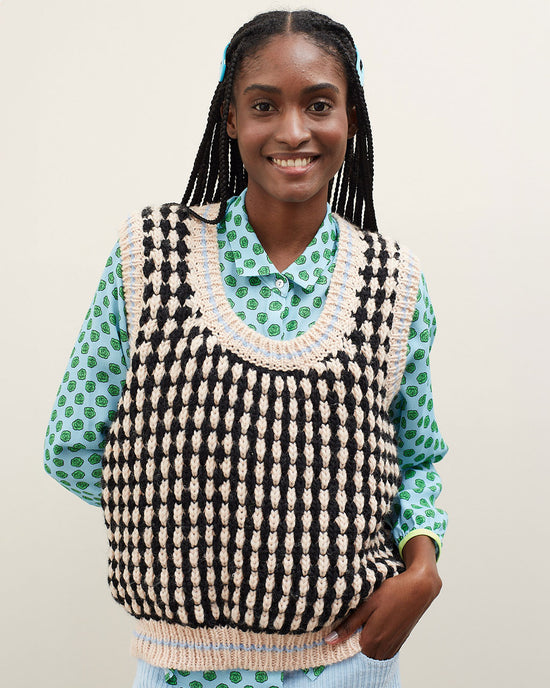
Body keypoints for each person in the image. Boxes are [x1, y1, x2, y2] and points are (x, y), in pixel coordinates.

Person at [44, 9, 448, 688]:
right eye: (265, 105)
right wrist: (184, 520)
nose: (293, 131)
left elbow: (418, 457)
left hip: (347, 662)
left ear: (351, 117)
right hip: (183, 667)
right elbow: (72, 444)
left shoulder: (394, 283)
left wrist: (424, 565)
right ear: (229, 117)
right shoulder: (151, 257)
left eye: (319, 104)